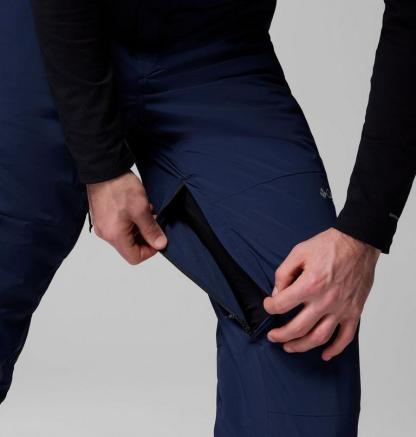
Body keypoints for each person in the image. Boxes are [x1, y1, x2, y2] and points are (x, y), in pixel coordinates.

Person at [1, 0, 414, 436]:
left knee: (304, 312)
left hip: (215, 52)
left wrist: (363, 232)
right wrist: (102, 165)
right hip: (46, 34)